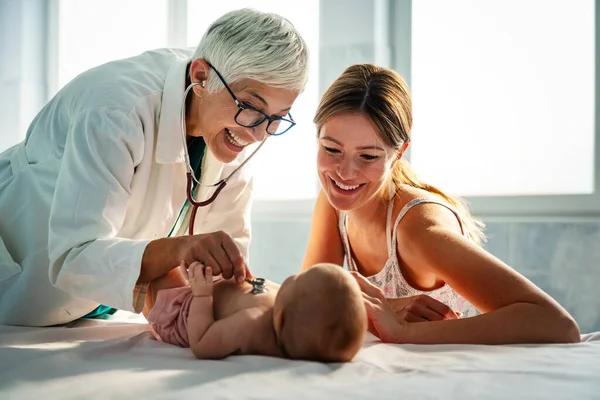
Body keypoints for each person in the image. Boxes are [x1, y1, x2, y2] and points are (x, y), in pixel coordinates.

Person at [0, 8, 309, 326]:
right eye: (250, 108)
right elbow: (73, 257)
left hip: (96, 299)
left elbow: (226, 255)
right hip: (23, 270)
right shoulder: (116, 111)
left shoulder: (234, 116)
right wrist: (179, 249)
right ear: (201, 77)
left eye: (278, 117)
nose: (258, 135)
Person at [302, 64, 580, 345]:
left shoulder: (418, 230)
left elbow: (556, 324)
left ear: (399, 153)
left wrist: (403, 332)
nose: (344, 173)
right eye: (332, 149)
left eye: (369, 156)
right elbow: (308, 300)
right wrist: (382, 308)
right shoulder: (334, 204)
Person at [146, 262, 366, 362]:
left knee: (157, 273)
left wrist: (202, 294)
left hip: (185, 311)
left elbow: (201, 342)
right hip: (206, 287)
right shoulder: (290, 310)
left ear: (279, 319)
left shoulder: (251, 324)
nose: (291, 278)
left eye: (298, 279)